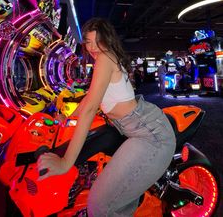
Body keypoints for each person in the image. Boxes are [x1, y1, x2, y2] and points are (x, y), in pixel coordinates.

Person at [37, 18, 176, 216]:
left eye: (97, 41)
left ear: (107, 40)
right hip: (140, 125)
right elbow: (89, 99)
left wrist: (65, 163)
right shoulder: (104, 59)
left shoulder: (104, 59)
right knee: (118, 204)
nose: (92, 47)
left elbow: (90, 108)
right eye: (88, 42)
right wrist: (66, 118)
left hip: (150, 133)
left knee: (99, 206)